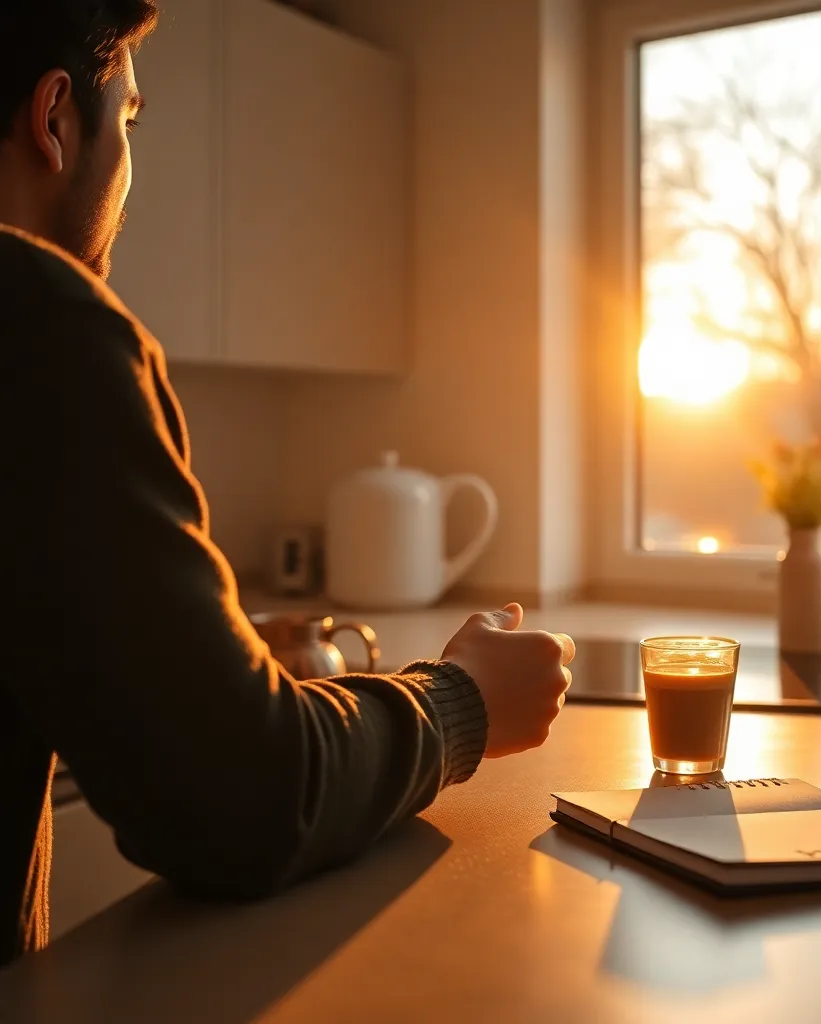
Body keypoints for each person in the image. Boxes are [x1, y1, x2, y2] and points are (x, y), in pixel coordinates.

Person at [0, 1, 575, 967]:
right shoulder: (42, 327)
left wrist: (200, 651)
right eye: (130, 120)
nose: (133, 170)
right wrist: (462, 698)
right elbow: (241, 795)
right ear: (56, 116)